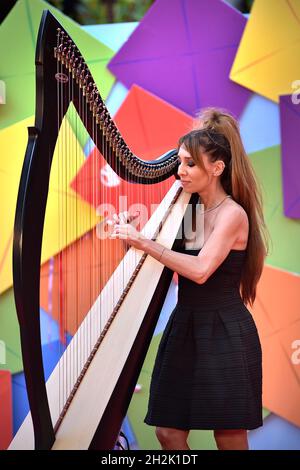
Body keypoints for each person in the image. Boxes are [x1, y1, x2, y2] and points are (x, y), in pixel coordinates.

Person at [108, 107, 269, 451]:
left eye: (189, 164)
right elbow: (172, 264)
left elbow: (199, 270)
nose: (180, 170)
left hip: (225, 332)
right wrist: (134, 236)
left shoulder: (232, 214)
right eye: (179, 162)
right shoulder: (193, 210)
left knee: (228, 437)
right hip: (186, 327)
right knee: (168, 433)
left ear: (217, 168)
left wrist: (143, 241)